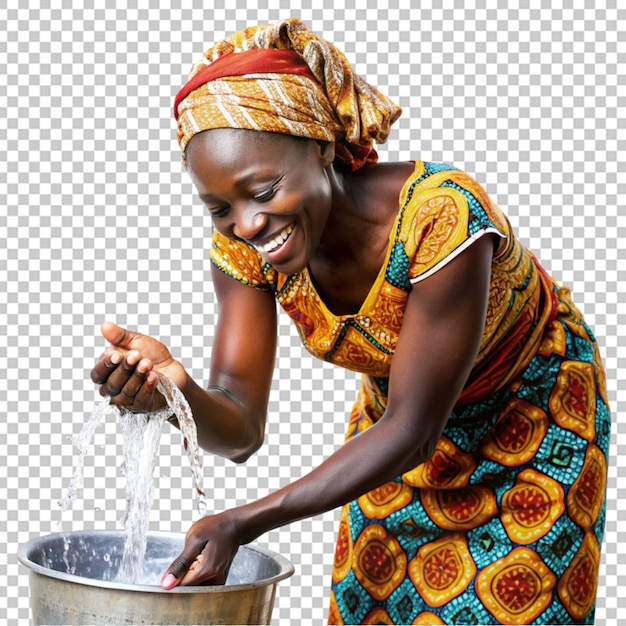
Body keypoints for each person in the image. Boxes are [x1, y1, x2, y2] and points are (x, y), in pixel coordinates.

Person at [91, 18, 610, 625]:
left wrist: (245, 520)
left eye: (264, 189)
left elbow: (413, 429)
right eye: (220, 207)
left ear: (322, 146)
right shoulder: (244, 249)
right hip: (392, 438)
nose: (248, 223)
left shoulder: (440, 218)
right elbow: (239, 428)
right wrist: (175, 395)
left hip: (530, 424)